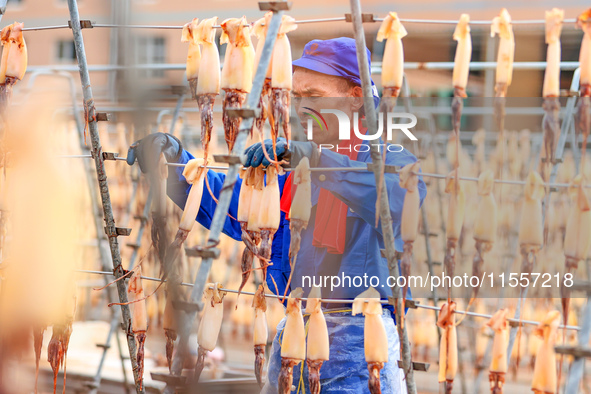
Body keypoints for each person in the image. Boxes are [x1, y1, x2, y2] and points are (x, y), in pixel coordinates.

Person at [127, 37, 426, 394]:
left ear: (356, 95)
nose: (302, 107)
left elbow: (391, 202)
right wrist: (175, 164)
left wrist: (317, 160)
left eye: (314, 96)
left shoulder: (391, 160)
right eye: (298, 97)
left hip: (363, 347)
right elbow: (232, 205)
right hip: (293, 339)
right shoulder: (291, 174)